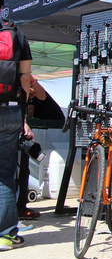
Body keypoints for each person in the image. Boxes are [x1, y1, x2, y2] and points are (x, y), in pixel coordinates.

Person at [0, 0, 33, 251]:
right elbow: (25, 79)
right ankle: (6, 235)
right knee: (5, 175)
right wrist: (23, 116)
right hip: (9, 110)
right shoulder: (16, 34)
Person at [17, 77, 65, 220]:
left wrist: (32, 81)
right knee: (15, 170)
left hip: (18, 130)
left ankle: (19, 208)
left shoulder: (31, 94)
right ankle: (18, 209)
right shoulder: (15, 88)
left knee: (22, 169)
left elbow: (41, 96)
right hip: (13, 127)